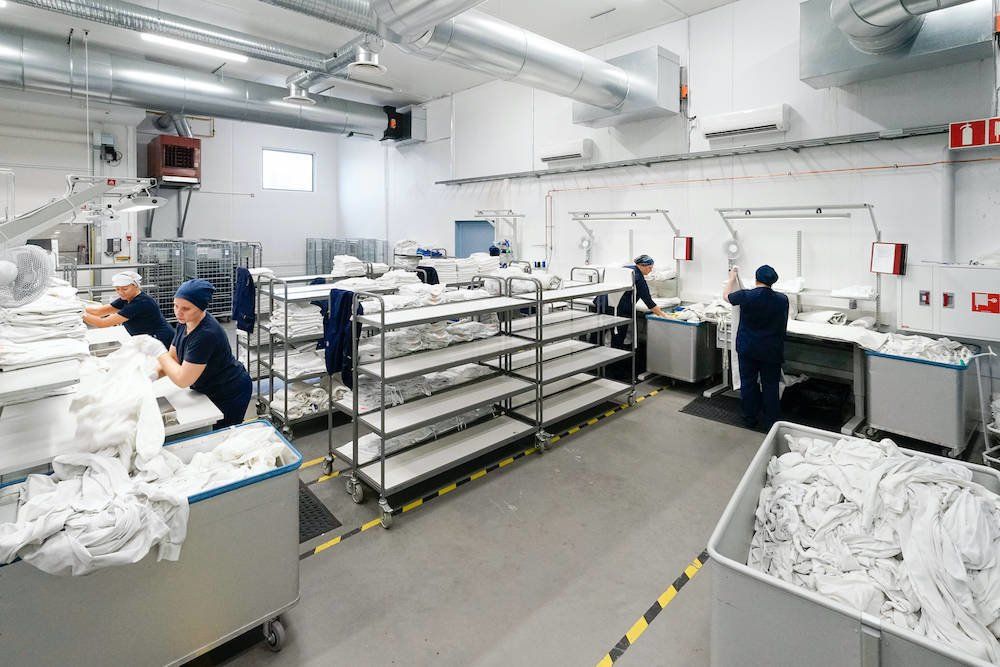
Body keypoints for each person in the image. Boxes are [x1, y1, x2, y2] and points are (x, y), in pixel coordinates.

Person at [157, 279, 252, 430]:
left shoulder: (206, 334)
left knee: (222, 434)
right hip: (206, 388)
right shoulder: (184, 323)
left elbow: (182, 380)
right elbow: (173, 359)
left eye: (186, 308)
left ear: (201, 308)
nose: (178, 312)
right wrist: (147, 376)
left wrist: (158, 352)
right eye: (175, 305)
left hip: (229, 391)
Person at [723, 265, 789, 430]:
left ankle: (749, 418)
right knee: (771, 385)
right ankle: (771, 422)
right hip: (771, 349)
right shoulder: (782, 299)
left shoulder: (746, 296)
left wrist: (732, 278)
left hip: (748, 347)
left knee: (748, 383)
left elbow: (726, 297)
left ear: (756, 279)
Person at [82, 271, 174, 347]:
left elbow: (103, 323)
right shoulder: (127, 298)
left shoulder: (141, 302)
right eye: (117, 289)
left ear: (135, 286)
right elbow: (99, 311)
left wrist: (79, 313)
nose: (120, 292)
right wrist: (78, 307)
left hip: (160, 339)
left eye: (125, 289)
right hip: (145, 339)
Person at [608, 254, 670, 348]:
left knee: (602, 334)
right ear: (642, 266)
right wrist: (663, 315)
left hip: (605, 304)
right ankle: (616, 355)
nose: (651, 270)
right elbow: (649, 302)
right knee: (618, 337)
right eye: (649, 268)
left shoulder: (626, 269)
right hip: (619, 309)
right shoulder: (638, 277)